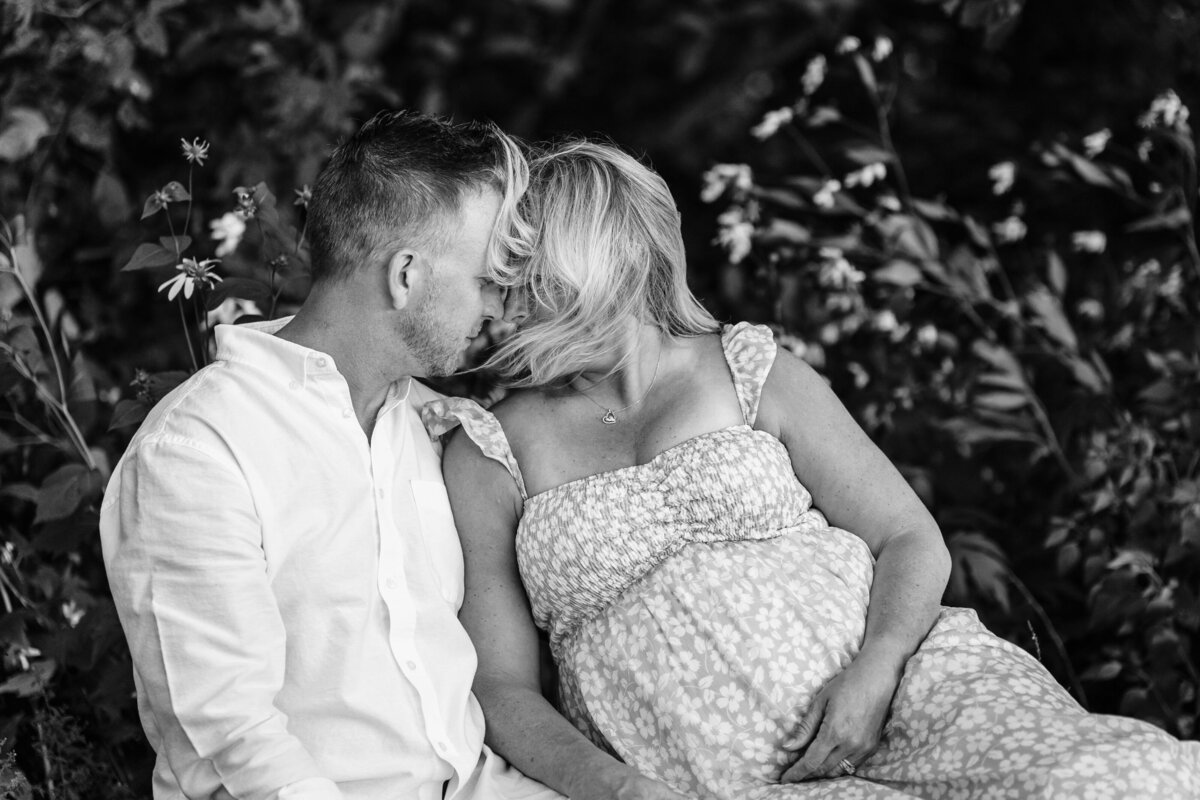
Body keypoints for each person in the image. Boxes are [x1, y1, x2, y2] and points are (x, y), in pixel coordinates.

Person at [422, 139, 1200, 800]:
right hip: (713, 776)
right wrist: (619, 788)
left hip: (902, 692)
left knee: (1110, 780)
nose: (504, 303)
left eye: (524, 274)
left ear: (594, 268)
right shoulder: (491, 449)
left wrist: (876, 673)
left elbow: (907, 536)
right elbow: (502, 688)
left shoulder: (748, 368)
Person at [100, 111, 564, 800]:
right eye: (487, 278)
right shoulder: (200, 450)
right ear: (405, 276)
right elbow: (233, 745)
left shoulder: (431, 431)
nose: (498, 307)